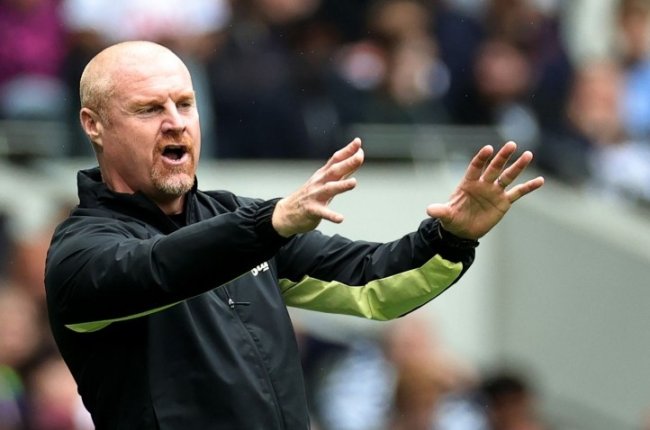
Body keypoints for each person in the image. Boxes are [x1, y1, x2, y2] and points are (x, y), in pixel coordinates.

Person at [44, 40, 544, 429]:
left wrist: (450, 238)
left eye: (185, 104)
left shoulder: (239, 218)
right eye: (150, 109)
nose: (176, 123)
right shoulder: (79, 252)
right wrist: (268, 225)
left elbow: (373, 283)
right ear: (95, 125)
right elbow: (159, 269)